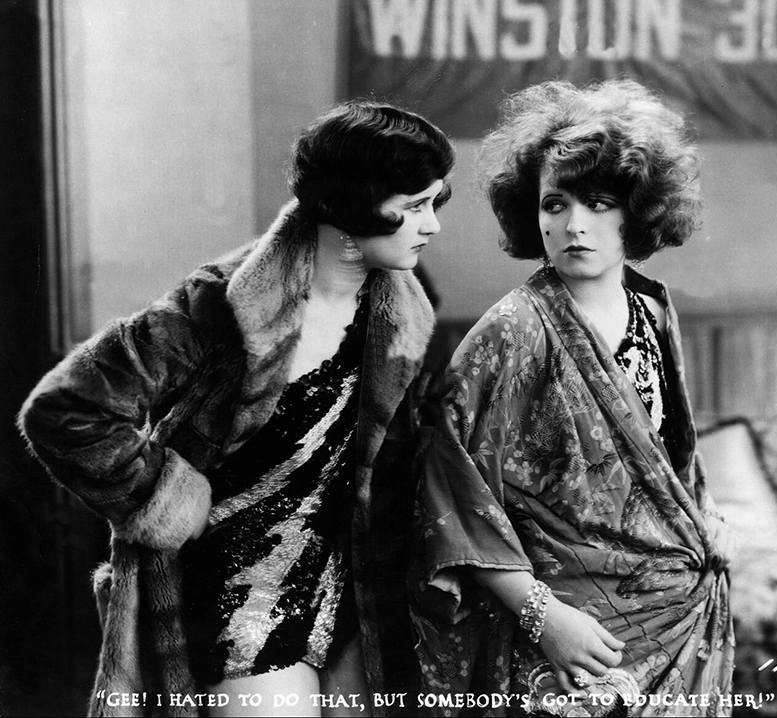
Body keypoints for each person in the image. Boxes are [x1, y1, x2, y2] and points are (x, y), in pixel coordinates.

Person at [19, 100, 454, 718]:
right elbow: (65, 409)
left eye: (435, 203)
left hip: (353, 594)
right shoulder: (218, 303)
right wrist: (167, 500)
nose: (431, 225)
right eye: (413, 206)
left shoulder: (402, 313)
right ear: (347, 202)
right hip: (236, 593)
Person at [410, 79, 737, 717]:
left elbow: (668, 463)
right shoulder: (510, 332)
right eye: (555, 204)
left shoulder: (653, 311)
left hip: (678, 612)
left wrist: (710, 514)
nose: (574, 225)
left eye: (599, 202)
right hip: (570, 634)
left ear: (637, 210)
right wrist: (543, 617)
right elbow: (453, 497)